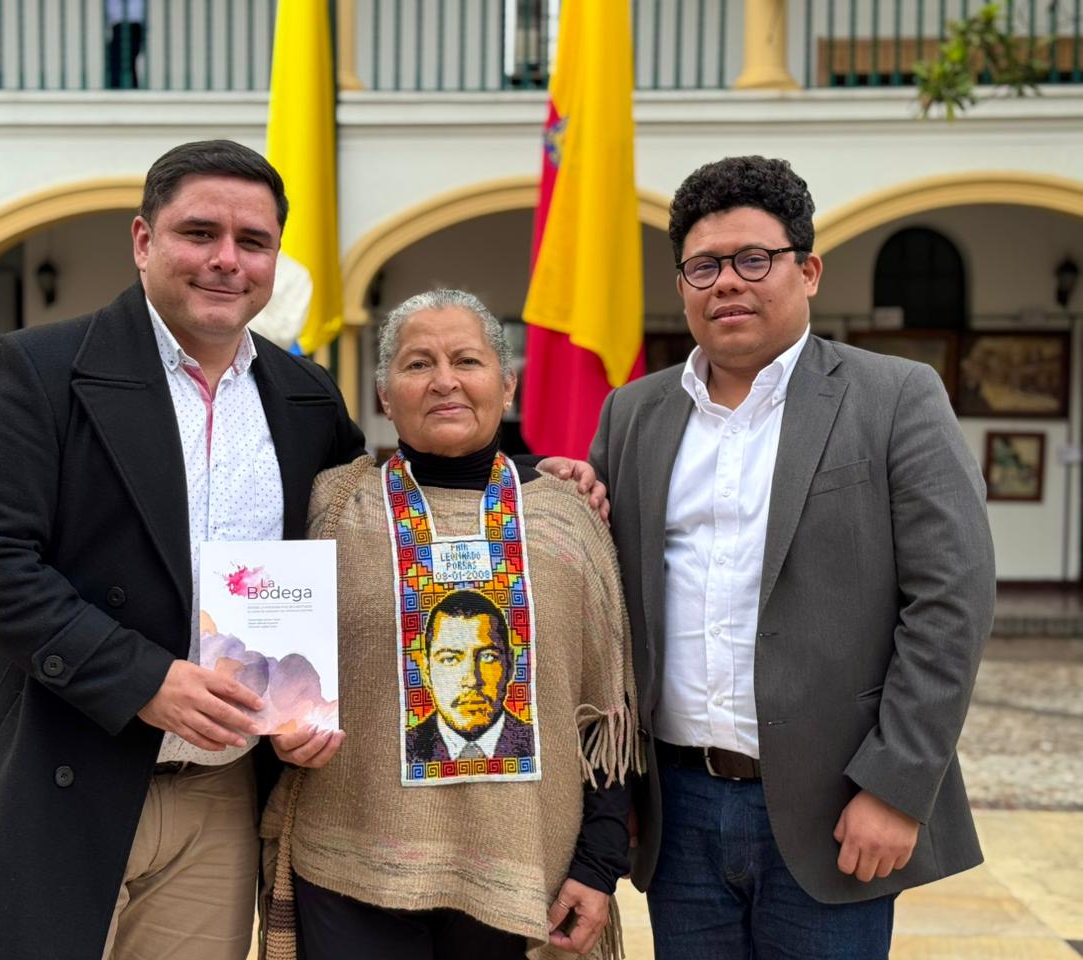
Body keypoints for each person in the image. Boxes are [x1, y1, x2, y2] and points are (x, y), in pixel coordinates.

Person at [0, 140, 366, 960]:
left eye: (253, 242)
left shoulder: (306, 399)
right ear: (142, 241)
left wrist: (537, 478)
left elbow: (369, 534)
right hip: (65, 778)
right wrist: (143, 680)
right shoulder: (42, 368)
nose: (227, 261)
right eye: (199, 233)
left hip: (221, 800)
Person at [588, 155, 996, 959]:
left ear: (807, 271)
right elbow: (602, 596)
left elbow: (952, 600)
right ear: (682, 285)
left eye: (753, 260)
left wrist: (896, 787)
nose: (726, 284)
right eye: (703, 266)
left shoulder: (893, 397)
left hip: (838, 808)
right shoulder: (634, 412)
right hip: (679, 812)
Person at [260, 289, 639, 960]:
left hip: (526, 871)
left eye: (467, 360)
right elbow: (274, 656)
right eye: (417, 364)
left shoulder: (565, 518)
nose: (444, 381)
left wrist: (598, 862)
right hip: (354, 870)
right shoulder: (333, 507)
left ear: (506, 382)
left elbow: (605, 718)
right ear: (383, 393)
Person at [405, 589, 535, 764]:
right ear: (426, 670)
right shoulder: (404, 750)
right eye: (450, 659)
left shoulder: (537, 743)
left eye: (488, 657)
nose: (472, 680)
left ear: (510, 665)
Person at [106, 0, 146, 89]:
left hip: (132, 25)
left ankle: (123, 91)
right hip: (119, 26)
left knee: (126, 62)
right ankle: (120, 91)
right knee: (118, 62)